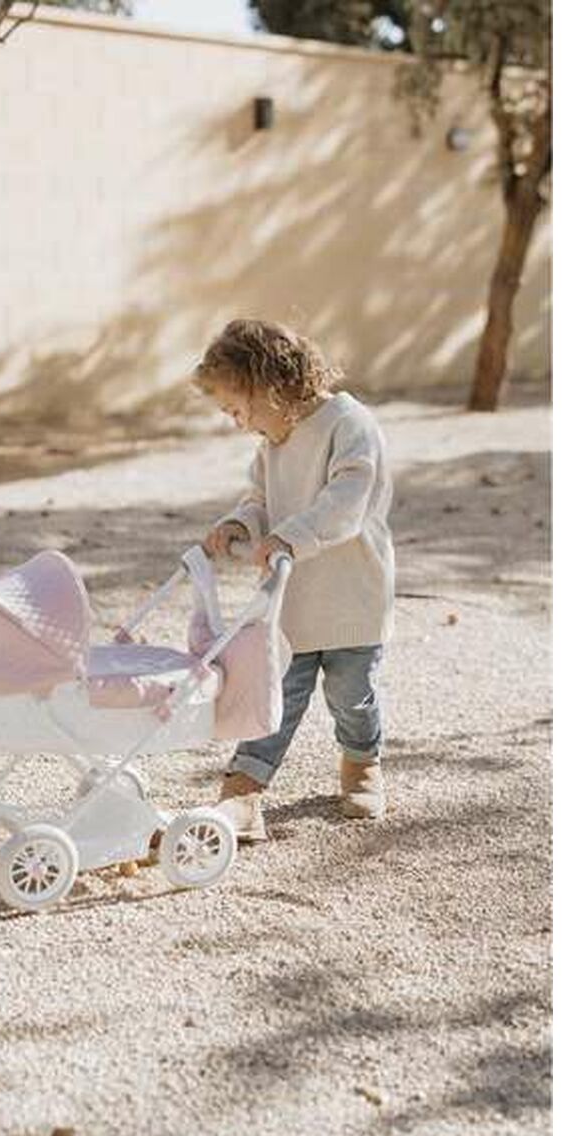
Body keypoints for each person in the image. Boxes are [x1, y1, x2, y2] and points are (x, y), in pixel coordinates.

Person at [195, 318, 395, 842]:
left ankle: (361, 762)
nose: (238, 423)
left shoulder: (349, 423)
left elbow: (347, 500)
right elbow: (260, 499)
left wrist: (291, 536)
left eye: (237, 408)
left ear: (269, 385)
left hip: (352, 595)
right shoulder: (271, 444)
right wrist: (242, 524)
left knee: (352, 694)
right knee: (275, 692)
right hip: (293, 599)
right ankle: (243, 789)